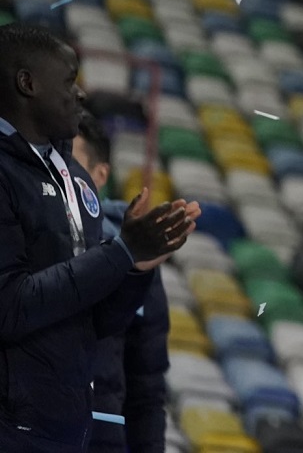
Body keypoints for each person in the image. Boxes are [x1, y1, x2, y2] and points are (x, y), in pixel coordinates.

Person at [0, 23, 197, 452]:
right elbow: (9, 305)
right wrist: (121, 252)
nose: (81, 94)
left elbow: (94, 323)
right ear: (27, 83)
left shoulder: (76, 181)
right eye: (69, 80)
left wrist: (136, 269)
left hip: (69, 433)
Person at [73, 111, 171, 453]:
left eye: (71, 164)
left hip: (102, 436)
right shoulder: (21, 231)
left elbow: (147, 385)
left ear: (100, 174)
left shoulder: (137, 254)